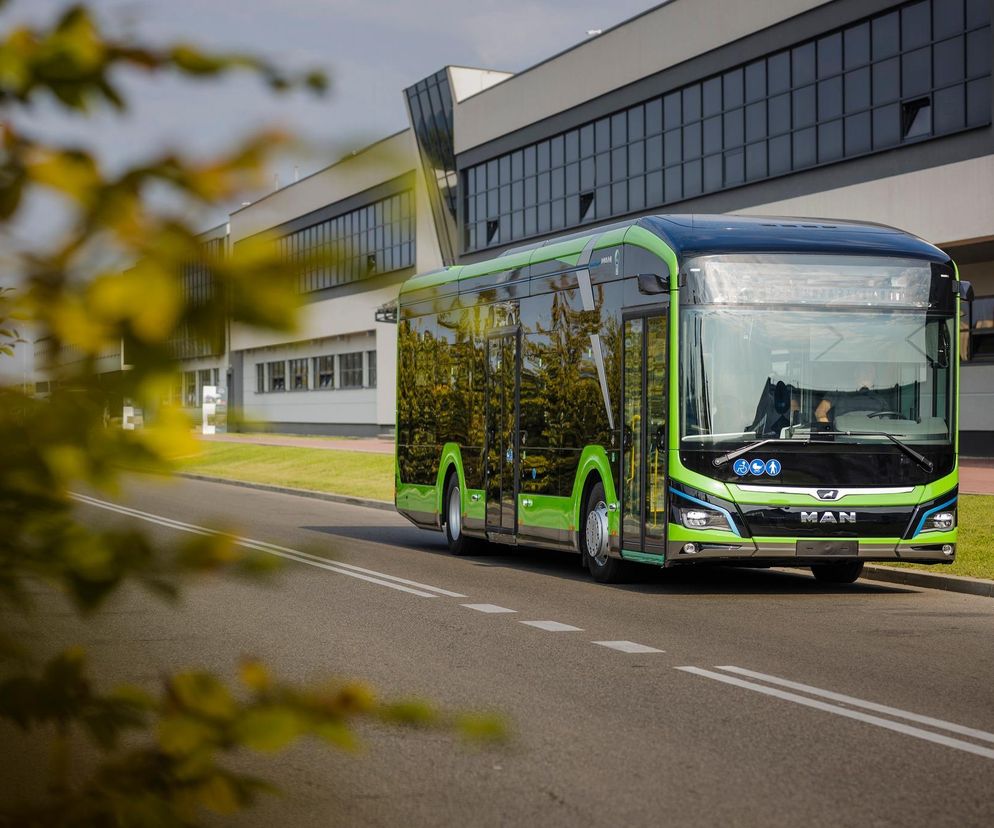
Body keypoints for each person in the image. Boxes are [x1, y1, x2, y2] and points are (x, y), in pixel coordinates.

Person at [814, 365, 891, 424]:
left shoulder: (880, 399)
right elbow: (820, 411)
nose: (867, 374)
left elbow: (886, 424)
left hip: (874, 440)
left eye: (871, 371)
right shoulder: (839, 391)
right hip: (843, 439)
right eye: (864, 370)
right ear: (856, 373)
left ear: (874, 376)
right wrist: (827, 427)